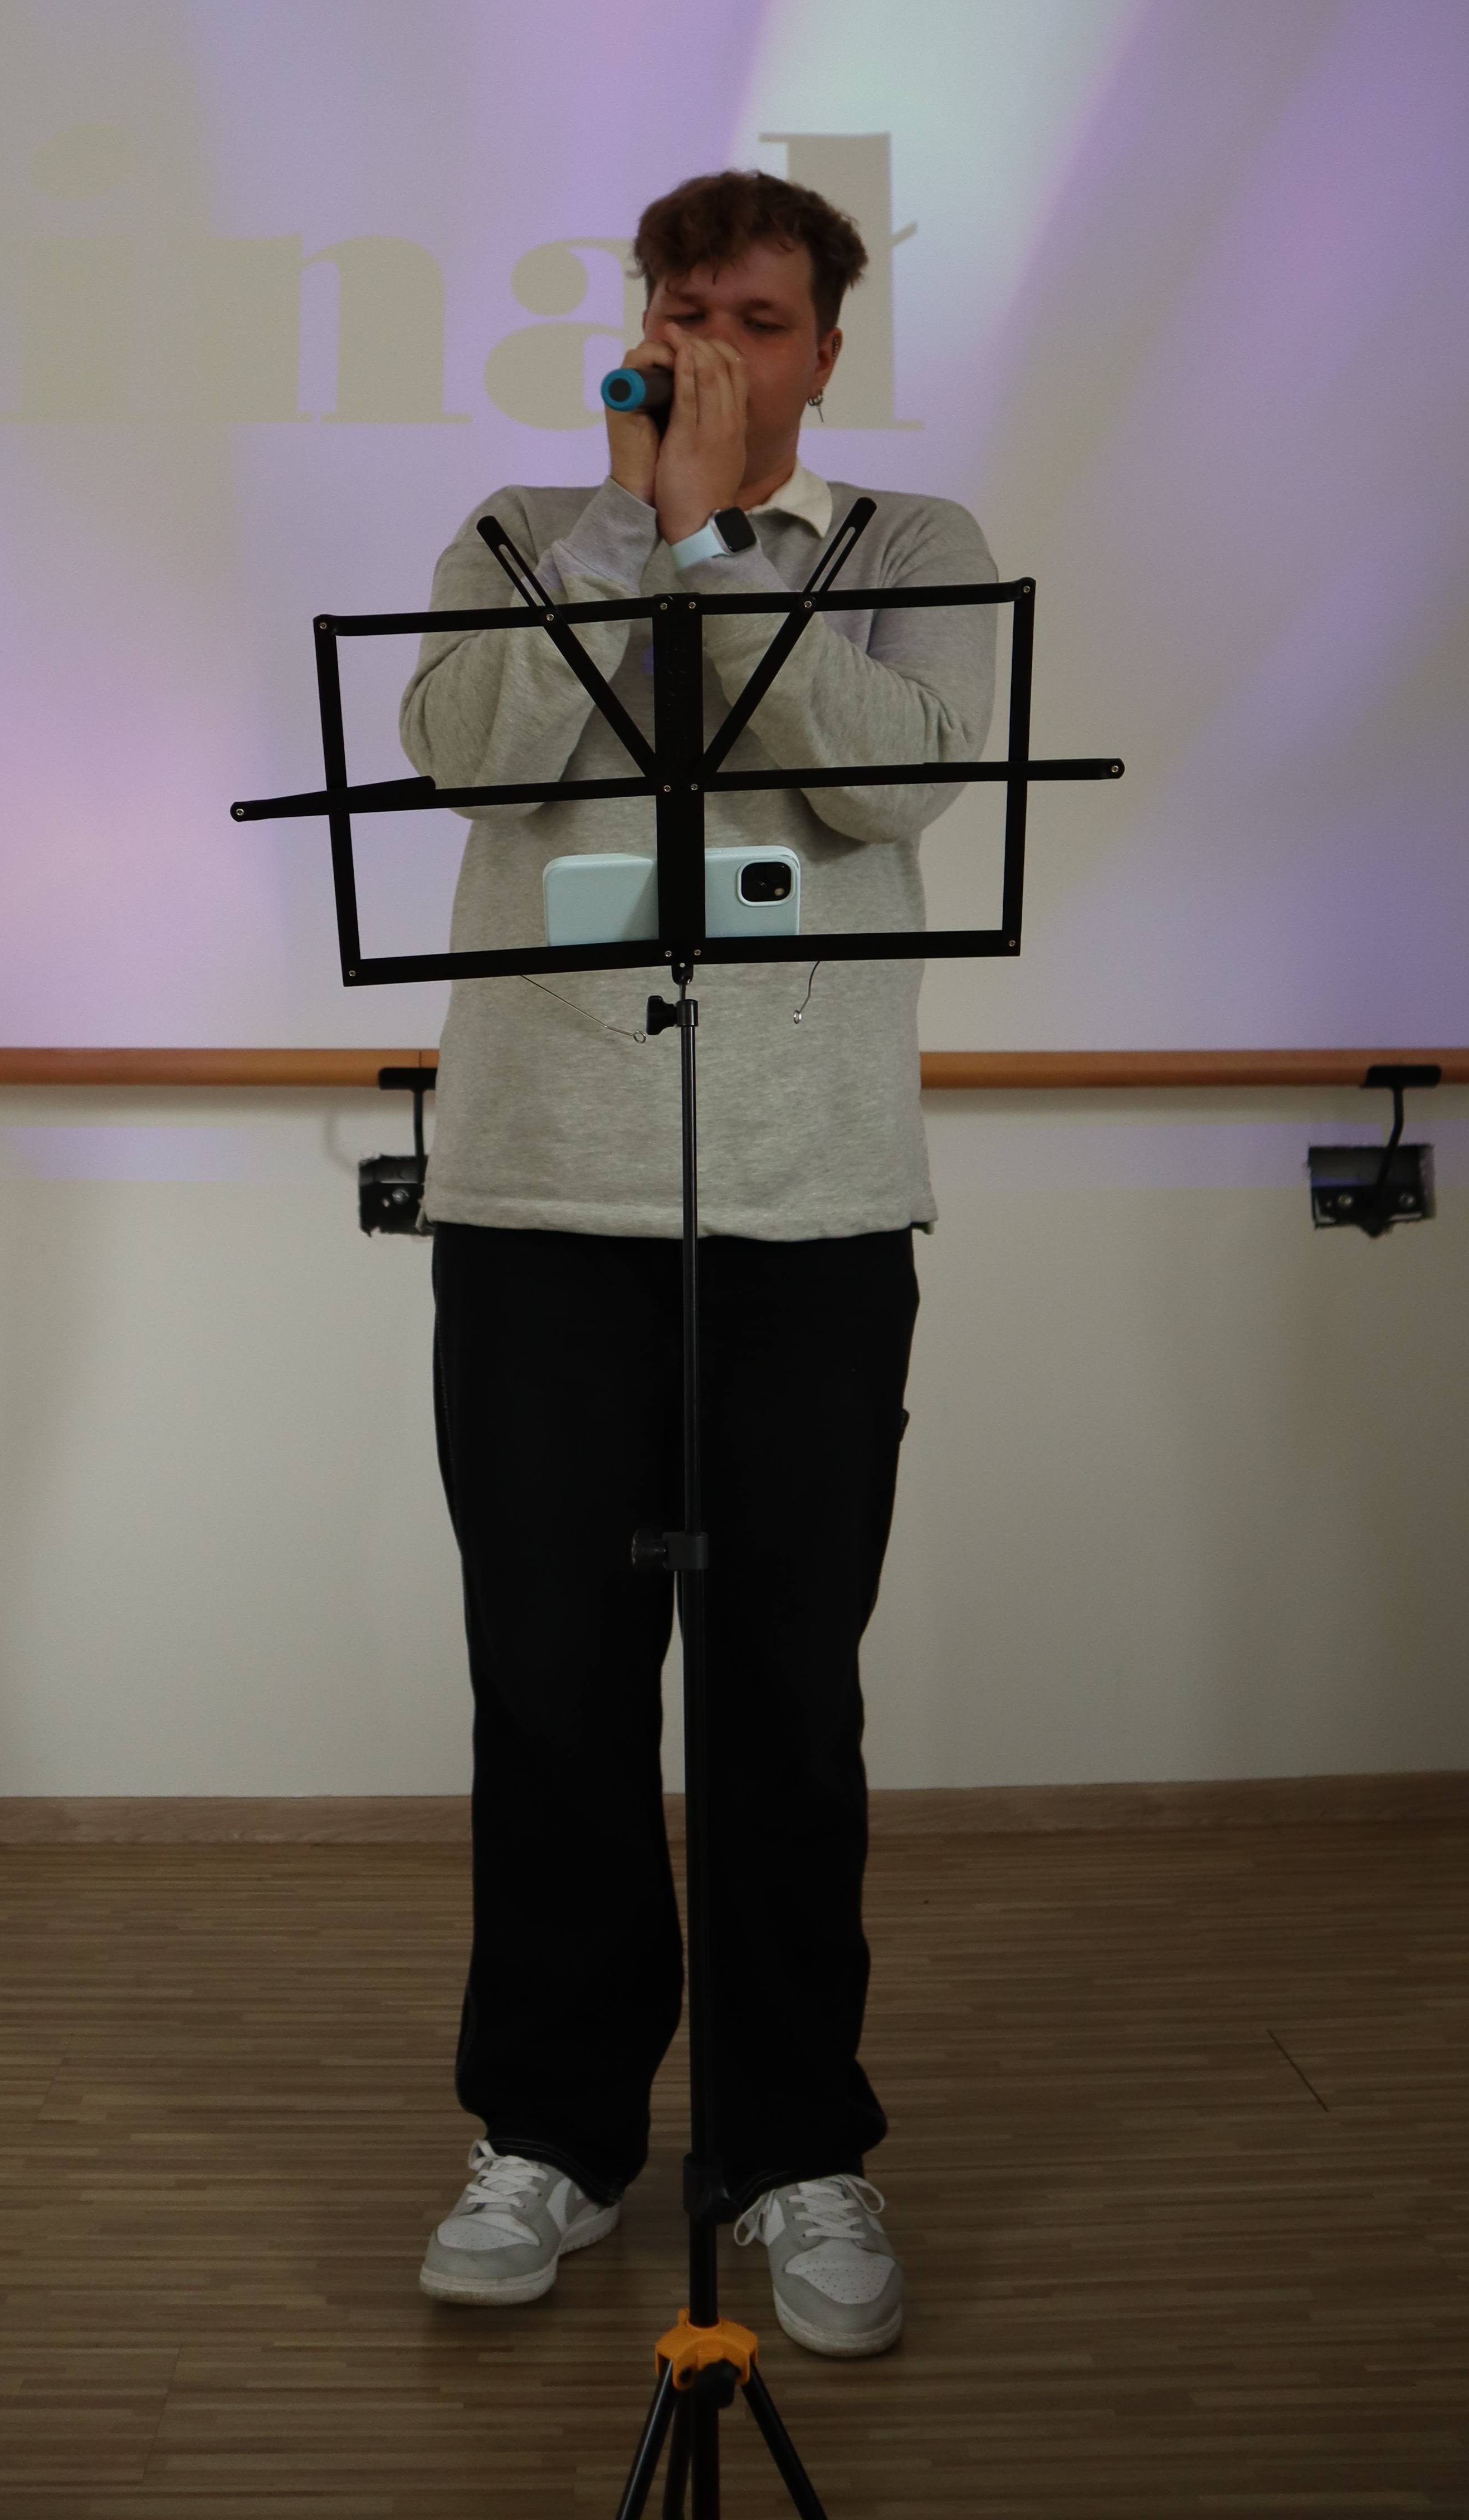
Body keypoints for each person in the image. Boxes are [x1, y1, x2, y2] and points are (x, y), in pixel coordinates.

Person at [400, 168, 996, 2360]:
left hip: (809, 1205)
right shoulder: (511, 538)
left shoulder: (908, 551)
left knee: (782, 1697)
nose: (716, 350)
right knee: (553, 1688)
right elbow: (474, 763)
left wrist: (726, 549)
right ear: (635, 327)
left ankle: (791, 2147)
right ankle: (551, 2132)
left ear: (826, 348)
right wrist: (630, 528)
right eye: (683, 312)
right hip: (541, 1202)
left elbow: (889, 798)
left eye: (759, 319)